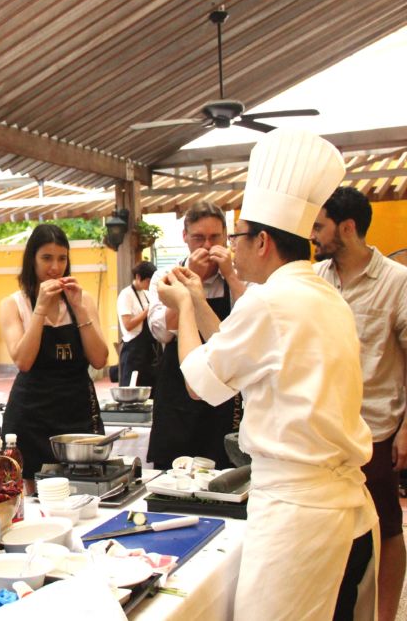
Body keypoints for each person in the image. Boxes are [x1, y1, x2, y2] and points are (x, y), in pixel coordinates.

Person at [157, 128, 377, 620]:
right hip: (331, 503)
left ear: (261, 241)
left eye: (235, 236)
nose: (230, 248)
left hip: (298, 511)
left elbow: (201, 383)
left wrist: (183, 309)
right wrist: (196, 299)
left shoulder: (271, 299)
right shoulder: (319, 293)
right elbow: (236, 348)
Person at [312, 186, 407, 621]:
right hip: (326, 434)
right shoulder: (316, 279)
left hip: (377, 429)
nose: (313, 235)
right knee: (335, 530)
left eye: (320, 226)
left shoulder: (396, 281)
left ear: (347, 228)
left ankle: (386, 616)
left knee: (386, 526)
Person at [0, 223, 109, 489]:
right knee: (31, 492)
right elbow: (23, 361)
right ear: (32, 260)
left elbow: (99, 359)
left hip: (78, 407)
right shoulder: (14, 304)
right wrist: (40, 310)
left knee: (84, 487)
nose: (55, 267)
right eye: (46, 258)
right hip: (31, 412)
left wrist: (79, 310)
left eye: (62, 258)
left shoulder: (83, 300)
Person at [146, 201, 246, 469]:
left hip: (226, 391)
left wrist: (231, 276)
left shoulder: (241, 275)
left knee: (227, 468)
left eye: (215, 237)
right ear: (185, 238)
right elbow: (160, 333)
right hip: (178, 388)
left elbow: (251, 321)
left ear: (226, 237)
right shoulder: (165, 277)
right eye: (198, 238)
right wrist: (190, 285)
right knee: (172, 468)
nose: (207, 246)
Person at [116, 260, 159, 391]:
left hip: (148, 354)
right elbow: (127, 325)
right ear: (138, 277)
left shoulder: (147, 294)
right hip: (133, 354)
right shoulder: (126, 295)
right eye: (148, 281)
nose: (149, 285)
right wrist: (147, 312)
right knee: (132, 392)